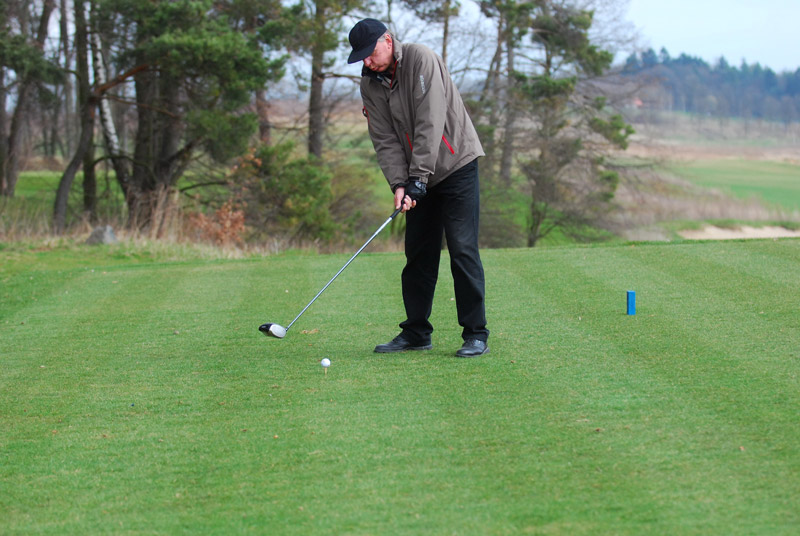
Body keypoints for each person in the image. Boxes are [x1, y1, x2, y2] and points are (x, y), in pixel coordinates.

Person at [347, 18, 490, 357]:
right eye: (362, 57)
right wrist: (400, 184)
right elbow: (384, 139)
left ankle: (475, 334)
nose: (367, 61)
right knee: (418, 254)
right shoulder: (370, 84)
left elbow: (431, 121)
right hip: (416, 176)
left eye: (371, 53)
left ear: (387, 40)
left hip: (456, 165)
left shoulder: (420, 59)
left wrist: (418, 179)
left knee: (462, 250)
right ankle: (416, 333)